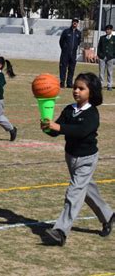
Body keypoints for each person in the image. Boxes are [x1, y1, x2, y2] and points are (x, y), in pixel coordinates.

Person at [41, 72, 113, 246]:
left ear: (92, 92)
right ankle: (109, 216)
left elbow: (80, 131)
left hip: (87, 159)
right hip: (71, 157)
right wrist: (48, 127)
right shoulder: (69, 109)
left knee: (74, 193)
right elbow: (56, 130)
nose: (76, 91)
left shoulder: (92, 113)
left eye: (81, 88)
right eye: (75, 87)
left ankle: (60, 232)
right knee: (86, 189)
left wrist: (58, 126)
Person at [59, 18, 82, 88]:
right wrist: (65, 48)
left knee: (71, 69)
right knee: (63, 68)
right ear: (72, 23)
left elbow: (78, 42)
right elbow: (61, 41)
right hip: (65, 53)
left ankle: (69, 83)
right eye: (74, 22)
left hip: (73, 54)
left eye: (76, 22)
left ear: (77, 24)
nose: (75, 23)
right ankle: (62, 82)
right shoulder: (66, 31)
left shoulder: (79, 33)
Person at [97, 24, 114, 91]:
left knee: (110, 72)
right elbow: (99, 47)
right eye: (106, 29)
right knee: (101, 72)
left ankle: (109, 85)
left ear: (111, 30)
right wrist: (99, 55)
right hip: (102, 57)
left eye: (108, 29)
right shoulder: (102, 38)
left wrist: (112, 55)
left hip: (110, 58)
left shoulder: (114, 38)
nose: (107, 30)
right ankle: (101, 84)